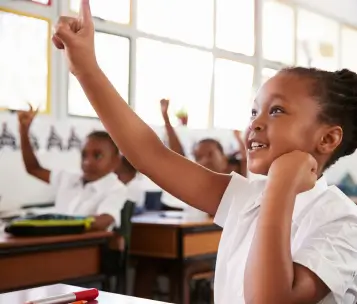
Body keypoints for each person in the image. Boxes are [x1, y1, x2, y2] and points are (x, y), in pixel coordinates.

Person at [53, 2, 357, 303]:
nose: (256, 123)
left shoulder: (342, 222)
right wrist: (85, 68)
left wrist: (282, 185)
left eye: (276, 110)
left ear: (328, 138)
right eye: (254, 112)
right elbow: (149, 155)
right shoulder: (247, 197)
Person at [18, 105, 127, 231]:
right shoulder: (69, 178)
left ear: (115, 161)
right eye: (84, 155)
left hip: (86, 247)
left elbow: (104, 220)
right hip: (53, 242)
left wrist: (58, 224)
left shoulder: (116, 189)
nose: (87, 162)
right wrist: (24, 131)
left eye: (97, 156)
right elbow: (33, 169)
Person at [161, 98, 247, 176]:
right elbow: (178, 156)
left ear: (224, 159)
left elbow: (245, 158)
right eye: (199, 157)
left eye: (210, 154)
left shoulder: (238, 176)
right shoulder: (195, 180)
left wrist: (239, 138)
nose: (205, 161)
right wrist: (165, 117)